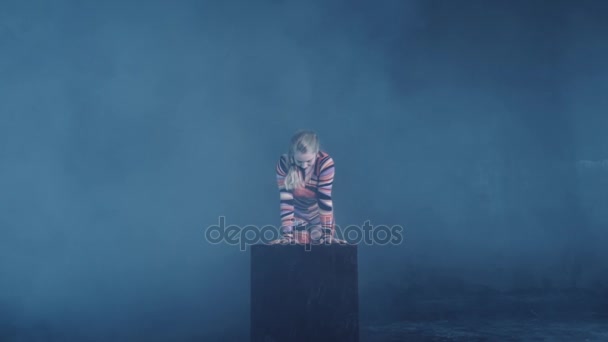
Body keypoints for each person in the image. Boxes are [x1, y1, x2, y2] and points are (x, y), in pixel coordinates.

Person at [270, 130, 346, 245]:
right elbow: (286, 202)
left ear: (316, 153)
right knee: (299, 248)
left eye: (309, 161)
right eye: (299, 162)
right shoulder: (284, 164)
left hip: (318, 214)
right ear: (292, 155)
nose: (304, 166)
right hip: (297, 214)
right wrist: (287, 235)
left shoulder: (325, 163)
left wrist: (327, 234)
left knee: (321, 245)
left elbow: (324, 199)